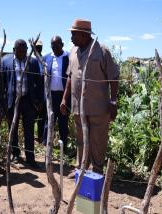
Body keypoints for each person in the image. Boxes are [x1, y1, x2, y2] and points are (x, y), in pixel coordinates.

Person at [60, 19, 119, 177]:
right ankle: (82, 168)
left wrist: (113, 101)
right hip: (78, 106)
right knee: (80, 138)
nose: (71, 38)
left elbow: (114, 77)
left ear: (83, 35)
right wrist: (65, 99)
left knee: (97, 140)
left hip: (98, 106)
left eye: (73, 34)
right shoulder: (73, 51)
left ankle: (97, 170)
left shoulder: (102, 50)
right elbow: (70, 77)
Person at [1, 39, 43, 169]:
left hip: (28, 101)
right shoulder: (5, 62)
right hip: (12, 101)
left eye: (25, 51)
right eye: (20, 51)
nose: (23, 53)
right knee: (12, 128)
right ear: (14, 50)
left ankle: (30, 158)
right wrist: (2, 103)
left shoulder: (33, 62)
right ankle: (15, 155)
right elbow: (1, 84)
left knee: (29, 129)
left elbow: (39, 82)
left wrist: (40, 100)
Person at [43, 36, 70, 152]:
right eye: (52, 46)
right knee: (49, 120)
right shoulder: (47, 58)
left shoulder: (68, 57)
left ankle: (63, 147)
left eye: (57, 45)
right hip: (51, 96)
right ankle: (46, 145)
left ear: (62, 45)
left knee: (63, 121)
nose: (54, 48)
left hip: (64, 96)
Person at [34, 40, 46, 144]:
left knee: (42, 117)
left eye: (40, 47)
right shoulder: (30, 59)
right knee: (31, 117)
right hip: (32, 94)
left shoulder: (44, 59)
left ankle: (41, 137)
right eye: (37, 47)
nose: (39, 48)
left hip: (42, 93)